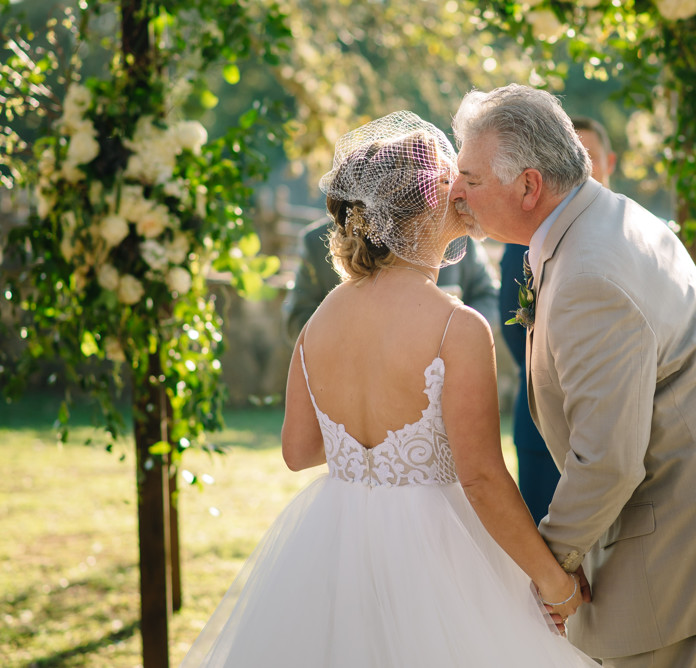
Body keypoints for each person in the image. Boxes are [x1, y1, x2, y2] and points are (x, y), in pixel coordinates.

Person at [181, 111, 597, 667]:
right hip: (438, 558)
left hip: (336, 547)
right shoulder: (456, 326)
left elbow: (298, 450)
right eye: (457, 183)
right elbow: (479, 476)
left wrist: (367, 447)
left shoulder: (319, 321)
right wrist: (554, 582)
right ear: (427, 206)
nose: (465, 194)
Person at [450, 84, 696, 668]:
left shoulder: (588, 276)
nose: (455, 192)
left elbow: (608, 459)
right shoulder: (605, 217)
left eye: (469, 177)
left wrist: (552, 568)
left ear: (528, 185)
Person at [498, 115, 617, 524]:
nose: (584, 169)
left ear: (610, 162)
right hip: (541, 426)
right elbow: (514, 325)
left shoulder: (631, 233)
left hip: (616, 425)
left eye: (591, 157)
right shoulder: (526, 240)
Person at [283, 207, 499, 340]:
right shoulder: (316, 242)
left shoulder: (456, 235)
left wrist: (461, 333)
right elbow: (298, 318)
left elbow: (488, 295)